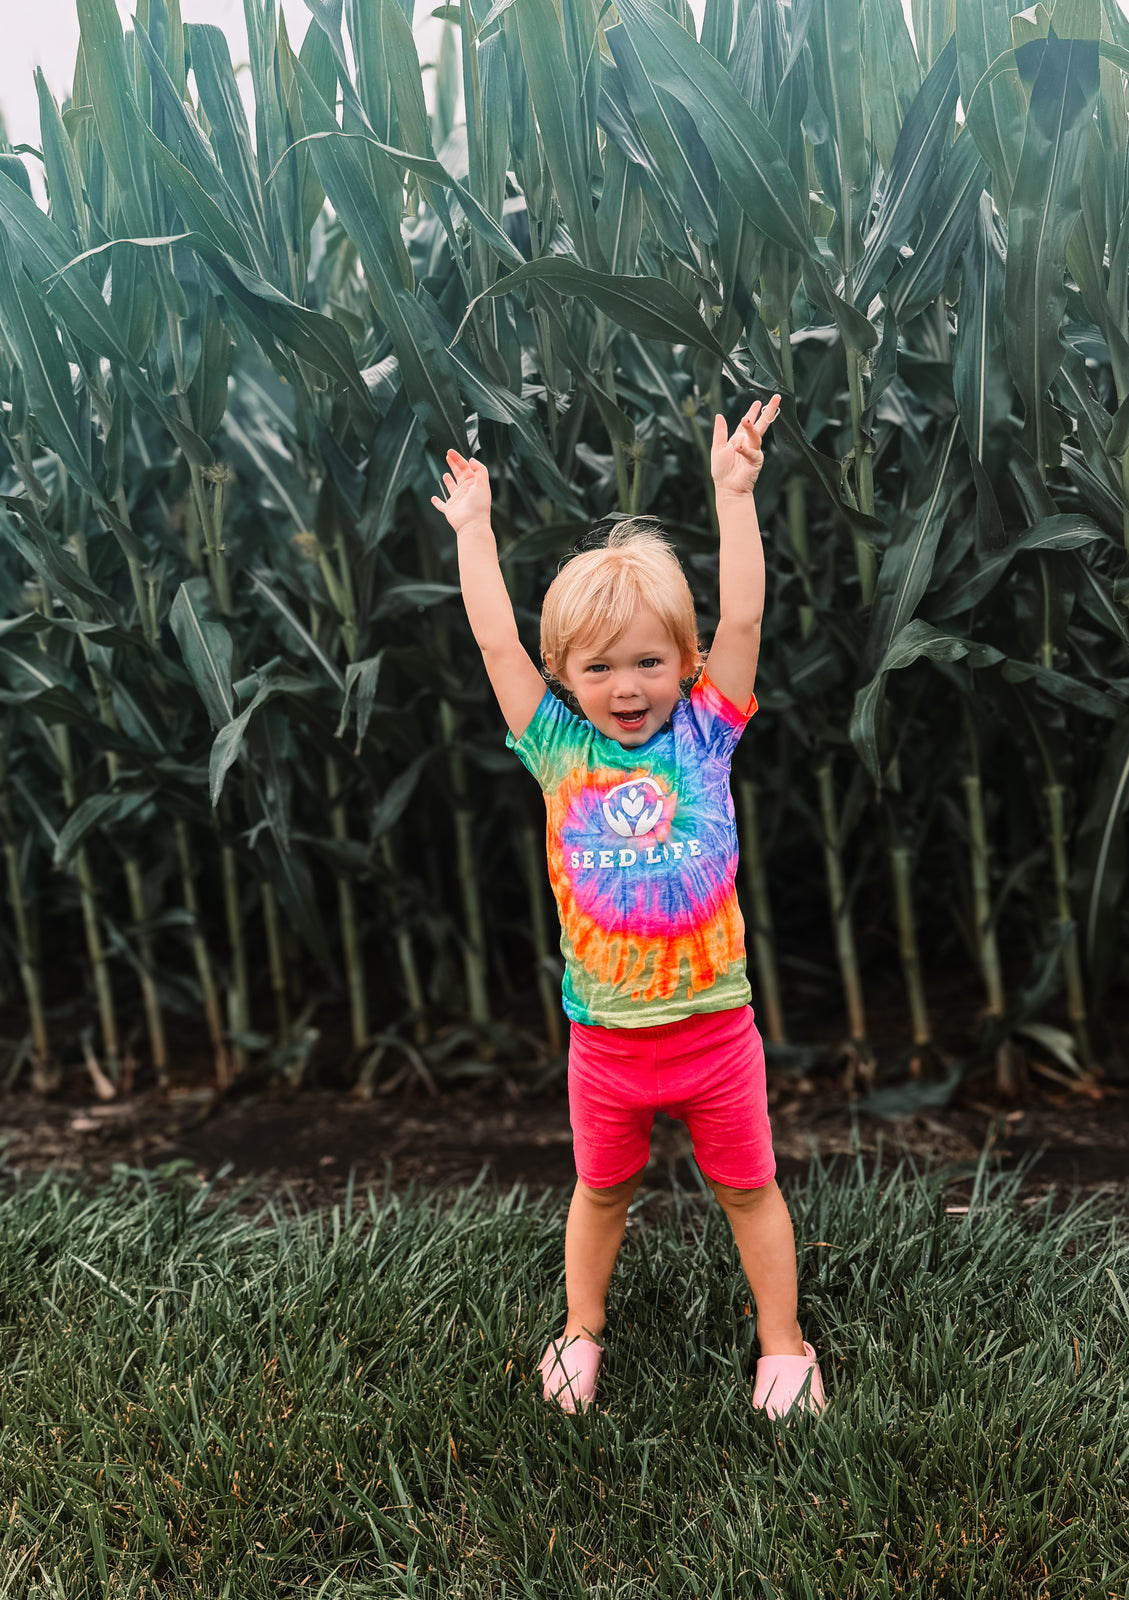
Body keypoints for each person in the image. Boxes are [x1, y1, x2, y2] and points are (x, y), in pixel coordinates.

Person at [430, 395, 825, 1420]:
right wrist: (474, 531)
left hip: (715, 1031)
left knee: (750, 1189)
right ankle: (581, 1330)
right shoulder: (558, 749)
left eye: (649, 661)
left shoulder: (707, 731)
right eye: (599, 667)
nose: (628, 686)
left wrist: (734, 494)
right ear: (566, 677)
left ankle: (784, 1346)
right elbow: (497, 647)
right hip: (605, 1041)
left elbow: (744, 619)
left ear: (686, 663)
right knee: (601, 1192)